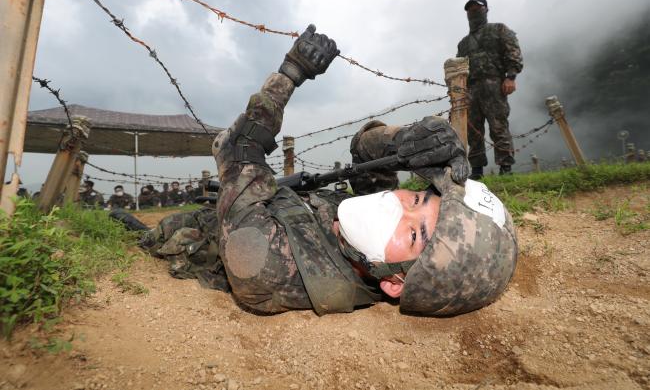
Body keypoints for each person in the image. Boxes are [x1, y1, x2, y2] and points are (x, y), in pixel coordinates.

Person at [119, 25, 517, 317]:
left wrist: (290, 73)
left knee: (148, 233)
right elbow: (365, 147)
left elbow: (236, 148)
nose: (400, 208)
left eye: (415, 233)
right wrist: (405, 141)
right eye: (416, 198)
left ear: (394, 283)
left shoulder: (268, 267)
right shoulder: (366, 235)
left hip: (196, 230)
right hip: (269, 199)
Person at [457, 0, 523, 179]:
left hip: (494, 84)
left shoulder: (499, 29)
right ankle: (477, 171)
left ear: (486, 9)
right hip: (471, 89)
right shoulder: (463, 43)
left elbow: (513, 52)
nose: (474, 11)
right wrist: (459, 90)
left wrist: (510, 77)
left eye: (477, 8)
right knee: (473, 130)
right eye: (470, 9)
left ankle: (506, 168)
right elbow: (459, 68)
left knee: (498, 126)